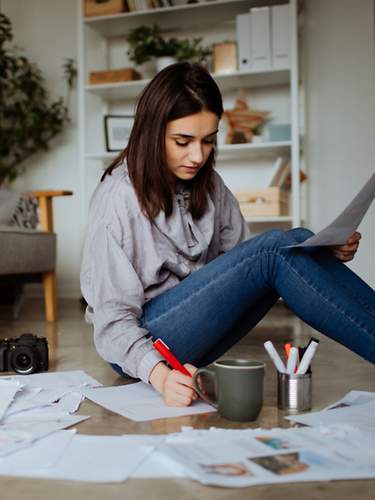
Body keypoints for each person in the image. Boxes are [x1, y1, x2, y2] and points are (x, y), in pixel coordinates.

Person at [80, 62, 375, 408]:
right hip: (142, 344)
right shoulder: (118, 196)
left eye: (208, 141)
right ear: (151, 132)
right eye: (182, 141)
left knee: (294, 241)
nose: (198, 156)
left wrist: (321, 253)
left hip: (193, 329)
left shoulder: (210, 185)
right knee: (274, 250)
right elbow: (112, 322)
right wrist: (159, 374)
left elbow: (242, 267)